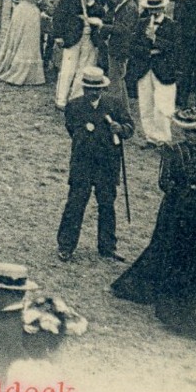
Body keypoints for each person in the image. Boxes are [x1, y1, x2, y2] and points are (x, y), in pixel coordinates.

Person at [111, 107, 196, 340]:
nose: (193, 138)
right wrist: (183, 192)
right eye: (189, 133)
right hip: (175, 207)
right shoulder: (174, 151)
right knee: (165, 244)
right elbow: (164, 181)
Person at [56, 67, 133, 262]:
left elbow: (130, 127)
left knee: (107, 205)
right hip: (83, 163)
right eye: (90, 89)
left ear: (102, 88)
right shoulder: (73, 106)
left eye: (97, 89)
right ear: (83, 88)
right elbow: (73, 131)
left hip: (107, 164)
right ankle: (66, 246)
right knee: (76, 204)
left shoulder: (114, 104)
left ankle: (107, 246)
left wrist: (121, 128)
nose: (93, 93)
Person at [131, 0, 180, 146]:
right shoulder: (141, 23)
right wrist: (149, 52)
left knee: (162, 106)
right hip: (145, 69)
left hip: (163, 71)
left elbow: (175, 47)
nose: (154, 12)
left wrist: (155, 40)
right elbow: (134, 45)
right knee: (145, 105)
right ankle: (150, 137)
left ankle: (164, 139)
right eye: (151, 9)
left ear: (163, 8)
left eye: (157, 9)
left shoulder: (172, 25)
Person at [51, 0, 105, 110]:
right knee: (67, 69)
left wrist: (92, 4)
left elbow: (102, 14)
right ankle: (61, 100)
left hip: (90, 39)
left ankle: (76, 99)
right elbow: (58, 17)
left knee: (85, 69)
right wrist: (58, 36)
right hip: (72, 37)